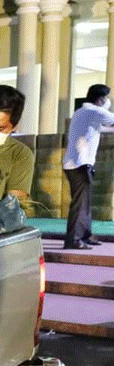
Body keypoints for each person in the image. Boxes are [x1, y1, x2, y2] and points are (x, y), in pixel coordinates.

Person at [62, 84, 114, 249]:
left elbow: (103, 126)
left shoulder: (81, 111)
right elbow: (111, 120)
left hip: (77, 164)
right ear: (100, 99)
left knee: (85, 203)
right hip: (80, 165)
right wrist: (106, 108)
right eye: (106, 98)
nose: (108, 101)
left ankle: (85, 235)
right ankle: (74, 240)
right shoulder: (94, 111)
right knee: (80, 204)